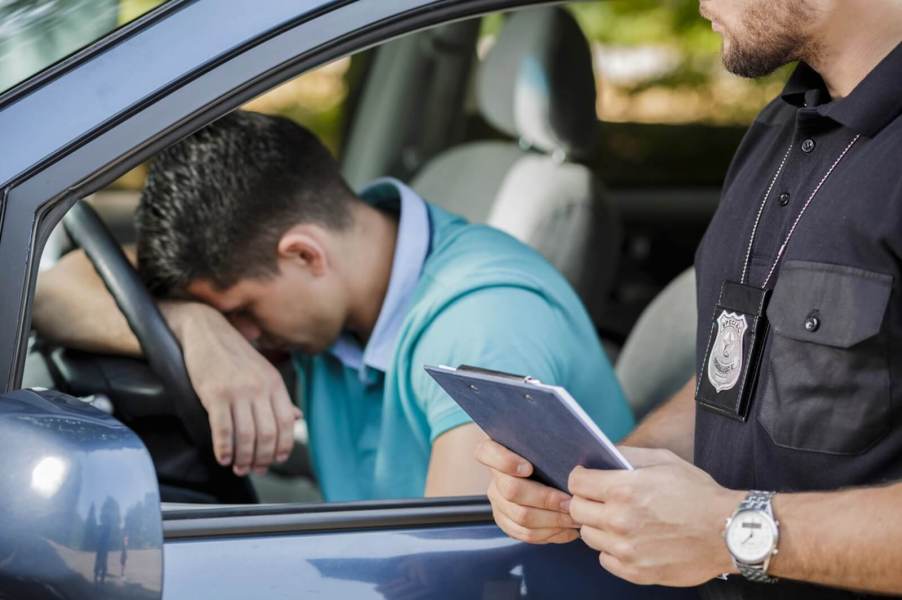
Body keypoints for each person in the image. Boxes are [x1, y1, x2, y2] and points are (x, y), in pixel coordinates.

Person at [476, 0, 902, 597]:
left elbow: (719, 526)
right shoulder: (781, 127)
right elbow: (738, 379)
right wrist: (599, 480)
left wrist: (730, 530)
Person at [34, 110, 634, 501]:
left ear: (305, 255)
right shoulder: (339, 280)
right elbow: (53, 293)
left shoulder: (481, 326)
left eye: (241, 311)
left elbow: (455, 571)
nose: (241, 336)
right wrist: (195, 327)